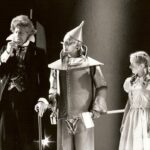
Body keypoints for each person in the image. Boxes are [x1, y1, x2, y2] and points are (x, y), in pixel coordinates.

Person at [35, 21, 108, 150]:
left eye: (69, 42)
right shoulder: (57, 67)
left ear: (78, 45)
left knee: (85, 147)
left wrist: (95, 110)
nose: (65, 45)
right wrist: (50, 103)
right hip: (64, 117)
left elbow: (101, 87)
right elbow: (53, 89)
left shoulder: (91, 65)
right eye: (65, 43)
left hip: (84, 117)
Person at [0, 15, 49, 150]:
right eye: (15, 31)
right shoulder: (6, 49)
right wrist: (7, 53)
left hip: (27, 104)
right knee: (6, 142)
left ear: (29, 33)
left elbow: (44, 81)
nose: (17, 35)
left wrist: (42, 100)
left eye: (21, 32)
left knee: (26, 143)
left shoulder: (38, 53)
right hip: (7, 103)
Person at [119, 51, 150, 150]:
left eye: (132, 64)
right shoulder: (130, 81)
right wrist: (123, 122)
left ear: (141, 66)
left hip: (146, 117)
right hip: (132, 118)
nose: (130, 66)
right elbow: (129, 103)